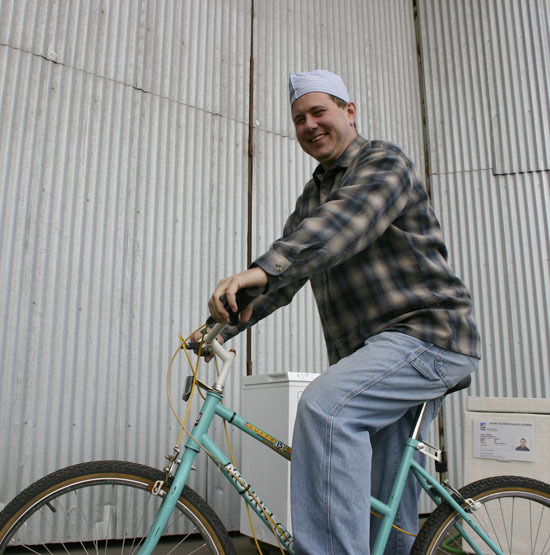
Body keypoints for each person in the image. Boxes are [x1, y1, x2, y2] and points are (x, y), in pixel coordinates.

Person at [202, 70, 481, 554]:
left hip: (428, 337)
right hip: (378, 357)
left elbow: (342, 225)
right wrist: (219, 325)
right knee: (382, 507)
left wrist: (262, 270)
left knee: (326, 409)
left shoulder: (384, 163)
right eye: (298, 119)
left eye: (319, 112)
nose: (309, 125)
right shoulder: (312, 197)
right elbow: (285, 275)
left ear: (349, 112)